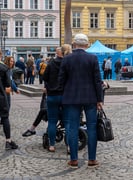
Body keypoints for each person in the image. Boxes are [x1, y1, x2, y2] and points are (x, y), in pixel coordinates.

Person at [59, 33, 103, 168]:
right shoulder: (93, 58)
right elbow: (97, 81)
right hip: (90, 98)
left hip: (71, 98)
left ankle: (73, 159)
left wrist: (64, 92)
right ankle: (92, 159)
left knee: (72, 127)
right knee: (92, 128)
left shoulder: (67, 59)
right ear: (87, 44)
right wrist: (99, 99)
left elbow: (61, 80)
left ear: (74, 43)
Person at [43, 46, 70, 152]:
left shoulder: (50, 63)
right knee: (68, 122)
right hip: (65, 96)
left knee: (52, 121)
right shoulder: (67, 64)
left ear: (57, 53)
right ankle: (69, 146)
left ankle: (52, 145)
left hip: (52, 95)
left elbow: (44, 77)